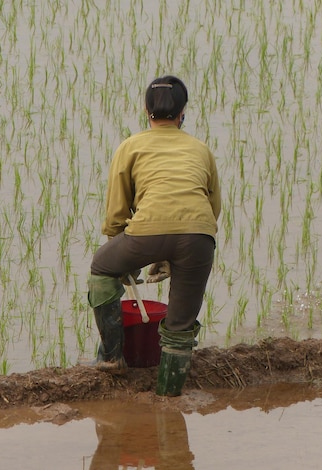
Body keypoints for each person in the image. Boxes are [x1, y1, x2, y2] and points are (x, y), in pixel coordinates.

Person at [87, 74, 221, 396]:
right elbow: (211, 206)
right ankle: (168, 400)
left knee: (102, 268)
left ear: (147, 111)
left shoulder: (131, 146)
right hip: (199, 236)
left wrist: (126, 259)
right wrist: (177, 252)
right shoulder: (200, 149)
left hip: (146, 233)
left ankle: (112, 359)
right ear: (182, 113)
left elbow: (117, 211)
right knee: (180, 327)